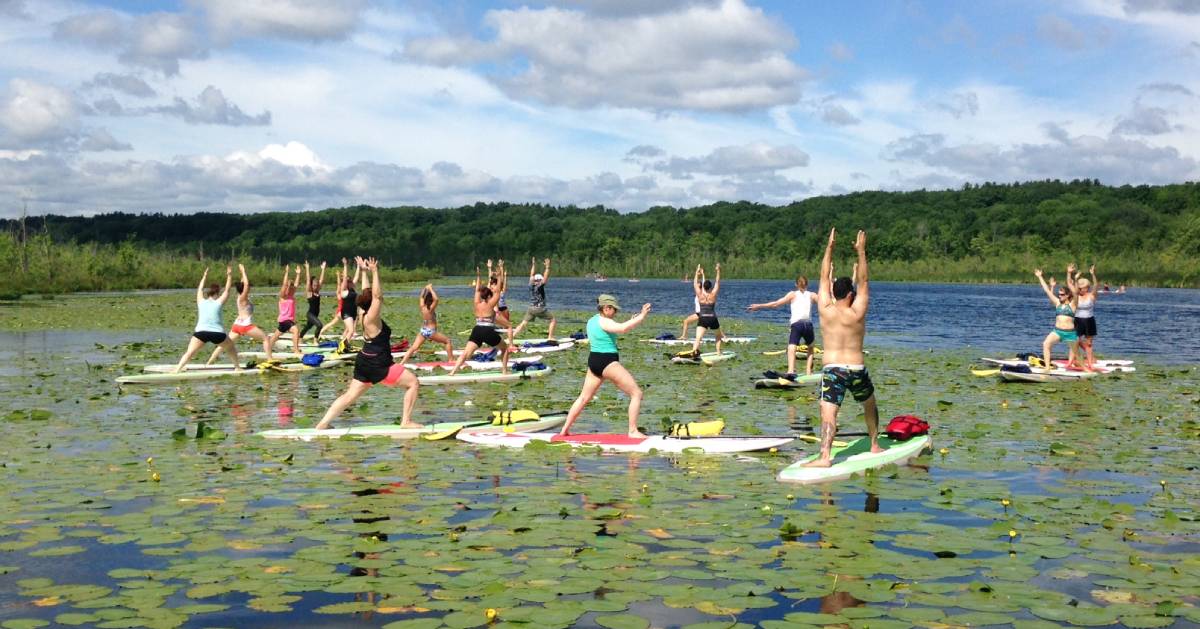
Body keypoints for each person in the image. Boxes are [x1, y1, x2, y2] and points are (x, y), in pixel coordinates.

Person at [804, 228, 880, 468]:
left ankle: (825, 457)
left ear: (834, 293)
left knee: (828, 414)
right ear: (850, 294)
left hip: (833, 369)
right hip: (856, 368)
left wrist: (829, 247)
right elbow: (865, 280)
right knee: (869, 404)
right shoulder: (857, 312)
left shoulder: (825, 309)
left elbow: (824, 276)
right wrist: (861, 252)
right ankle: (875, 445)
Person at [315, 258, 420, 430]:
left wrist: (364, 271)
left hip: (364, 360)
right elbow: (377, 295)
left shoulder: (362, 310)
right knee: (413, 383)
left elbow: (368, 293)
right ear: (372, 303)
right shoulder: (371, 317)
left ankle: (323, 423)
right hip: (379, 364)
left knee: (350, 395)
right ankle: (406, 421)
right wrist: (375, 271)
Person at [558, 294, 652, 437]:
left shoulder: (592, 320)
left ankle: (564, 430)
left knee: (583, 398)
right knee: (636, 394)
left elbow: (615, 328)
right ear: (607, 308)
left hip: (594, 361)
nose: (616, 312)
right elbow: (622, 329)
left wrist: (632, 320)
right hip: (607, 362)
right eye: (614, 309)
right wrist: (642, 316)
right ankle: (632, 431)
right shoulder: (605, 322)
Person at [748, 275, 819, 376]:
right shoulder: (812, 295)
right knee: (811, 347)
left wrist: (759, 306)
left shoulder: (792, 294)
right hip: (808, 325)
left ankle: (791, 370)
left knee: (792, 346)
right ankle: (808, 372)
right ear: (807, 284)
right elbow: (825, 304)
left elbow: (776, 304)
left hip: (797, 325)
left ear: (796, 284)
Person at [173, 266, 240, 373]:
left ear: (208, 293)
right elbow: (227, 289)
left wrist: (204, 276)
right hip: (217, 334)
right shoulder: (219, 302)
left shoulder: (201, 301)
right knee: (230, 347)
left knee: (189, 352)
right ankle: (237, 367)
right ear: (217, 293)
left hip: (201, 333)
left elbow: (199, 288)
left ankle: (177, 369)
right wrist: (229, 275)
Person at [448, 265, 511, 375]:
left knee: (466, 353)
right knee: (505, 348)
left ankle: (453, 372)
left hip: (476, 330)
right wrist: (500, 276)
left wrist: (478, 275)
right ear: (489, 297)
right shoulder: (490, 304)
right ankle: (504, 371)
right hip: (487, 331)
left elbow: (477, 290)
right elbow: (498, 291)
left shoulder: (477, 303)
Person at [207, 263, 272, 364]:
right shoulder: (243, 298)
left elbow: (243, 284)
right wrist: (243, 271)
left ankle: (210, 361)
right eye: (247, 288)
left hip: (237, 326)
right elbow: (246, 284)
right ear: (245, 289)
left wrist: (242, 274)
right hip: (245, 326)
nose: (249, 288)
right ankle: (270, 360)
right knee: (266, 338)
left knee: (225, 344)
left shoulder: (240, 296)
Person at [1034, 264, 1081, 371]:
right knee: (1046, 344)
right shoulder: (1057, 303)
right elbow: (1046, 290)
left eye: (1062, 294)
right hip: (1057, 331)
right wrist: (1040, 277)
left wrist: (1070, 274)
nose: (1059, 296)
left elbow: (1075, 292)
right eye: (1059, 294)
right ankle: (1047, 368)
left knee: (1077, 354)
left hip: (1070, 333)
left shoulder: (1073, 304)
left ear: (1068, 295)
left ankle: (1083, 368)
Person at [398, 283, 453, 364]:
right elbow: (436, 299)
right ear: (431, 300)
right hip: (431, 332)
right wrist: (431, 289)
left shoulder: (422, 306)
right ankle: (451, 360)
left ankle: (402, 362)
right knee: (447, 341)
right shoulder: (430, 309)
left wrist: (425, 289)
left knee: (414, 347)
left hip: (423, 331)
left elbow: (421, 297)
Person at [512, 257, 556, 339]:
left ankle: (512, 336)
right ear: (540, 280)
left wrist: (533, 264)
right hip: (540, 309)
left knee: (523, 323)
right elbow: (545, 278)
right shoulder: (539, 286)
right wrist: (547, 267)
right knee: (553, 320)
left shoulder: (530, 285)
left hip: (531, 309)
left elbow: (531, 275)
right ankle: (550, 337)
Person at [688, 263, 725, 358]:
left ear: (703, 287)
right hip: (712, 318)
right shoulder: (713, 295)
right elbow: (718, 282)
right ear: (710, 287)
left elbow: (695, 283)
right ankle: (718, 352)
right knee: (718, 336)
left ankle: (693, 352)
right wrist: (718, 270)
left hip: (702, 318)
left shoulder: (700, 295)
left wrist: (697, 272)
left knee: (698, 338)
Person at [267, 265, 303, 358]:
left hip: (287, 320)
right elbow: (284, 284)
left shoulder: (291, 294)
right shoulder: (283, 295)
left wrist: (298, 274)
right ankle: (296, 350)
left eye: (291, 286)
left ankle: (267, 348)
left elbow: (296, 284)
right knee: (296, 330)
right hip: (285, 320)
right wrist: (286, 272)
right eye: (288, 286)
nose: (290, 288)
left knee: (276, 336)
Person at [1071, 264, 1100, 371]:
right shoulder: (1076, 296)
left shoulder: (1091, 296)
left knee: (1089, 343)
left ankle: (1090, 363)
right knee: (1076, 341)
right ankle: (1075, 360)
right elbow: (1073, 289)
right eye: (1082, 288)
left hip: (1089, 321)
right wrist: (1076, 278)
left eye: (1086, 287)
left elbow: (1096, 285)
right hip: (1078, 320)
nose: (1083, 289)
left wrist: (1093, 274)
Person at [298, 260, 327, 340]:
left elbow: (321, 280)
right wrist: (307, 268)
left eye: (316, 285)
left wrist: (323, 269)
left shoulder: (317, 291)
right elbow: (308, 280)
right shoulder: (309, 292)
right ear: (311, 285)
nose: (316, 286)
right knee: (319, 325)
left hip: (316, 314)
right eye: (314, 285)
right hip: (310, 314)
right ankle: (315, 340)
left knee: (308, 326)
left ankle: (300, 337)